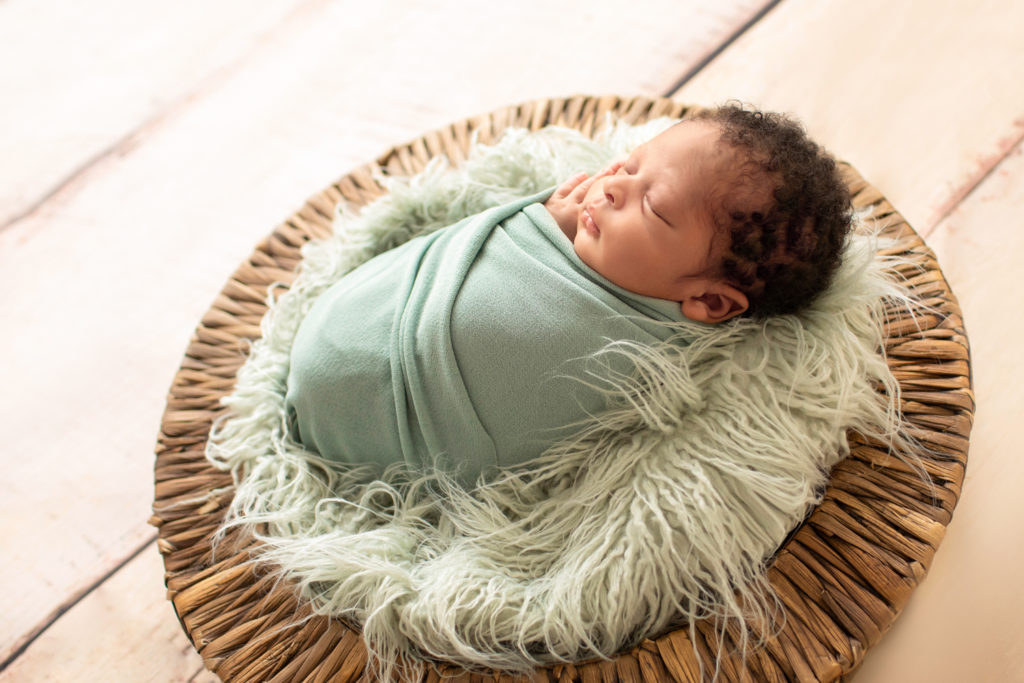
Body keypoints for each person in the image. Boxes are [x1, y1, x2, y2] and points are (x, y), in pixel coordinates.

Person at [284, 104, 852, 485]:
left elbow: (536, 416)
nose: (609, 188)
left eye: (651, 206)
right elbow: (463, 250)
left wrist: (539, 228)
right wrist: (537, 224)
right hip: (348, 333)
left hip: (380, 426)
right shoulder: (591, 234)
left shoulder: (641, 359)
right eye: (629, 165)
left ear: (710, 304)